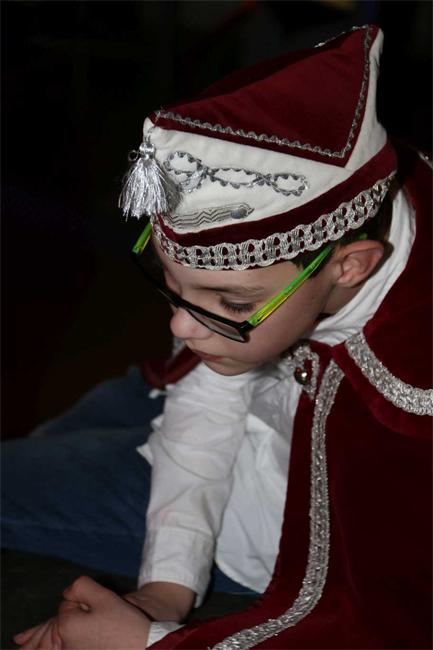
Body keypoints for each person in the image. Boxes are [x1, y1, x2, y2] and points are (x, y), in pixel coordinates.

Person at [3, 24, 432, 649]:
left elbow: (378, 619)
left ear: (350, 267)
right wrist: (167, 582)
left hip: (251, 518)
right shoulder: (317, 243)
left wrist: (150, 638)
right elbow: (206, 394)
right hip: (196, 410)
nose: (180, 325)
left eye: (230, 302)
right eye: (172, 282)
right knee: (57, 439)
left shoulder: (411, 400)